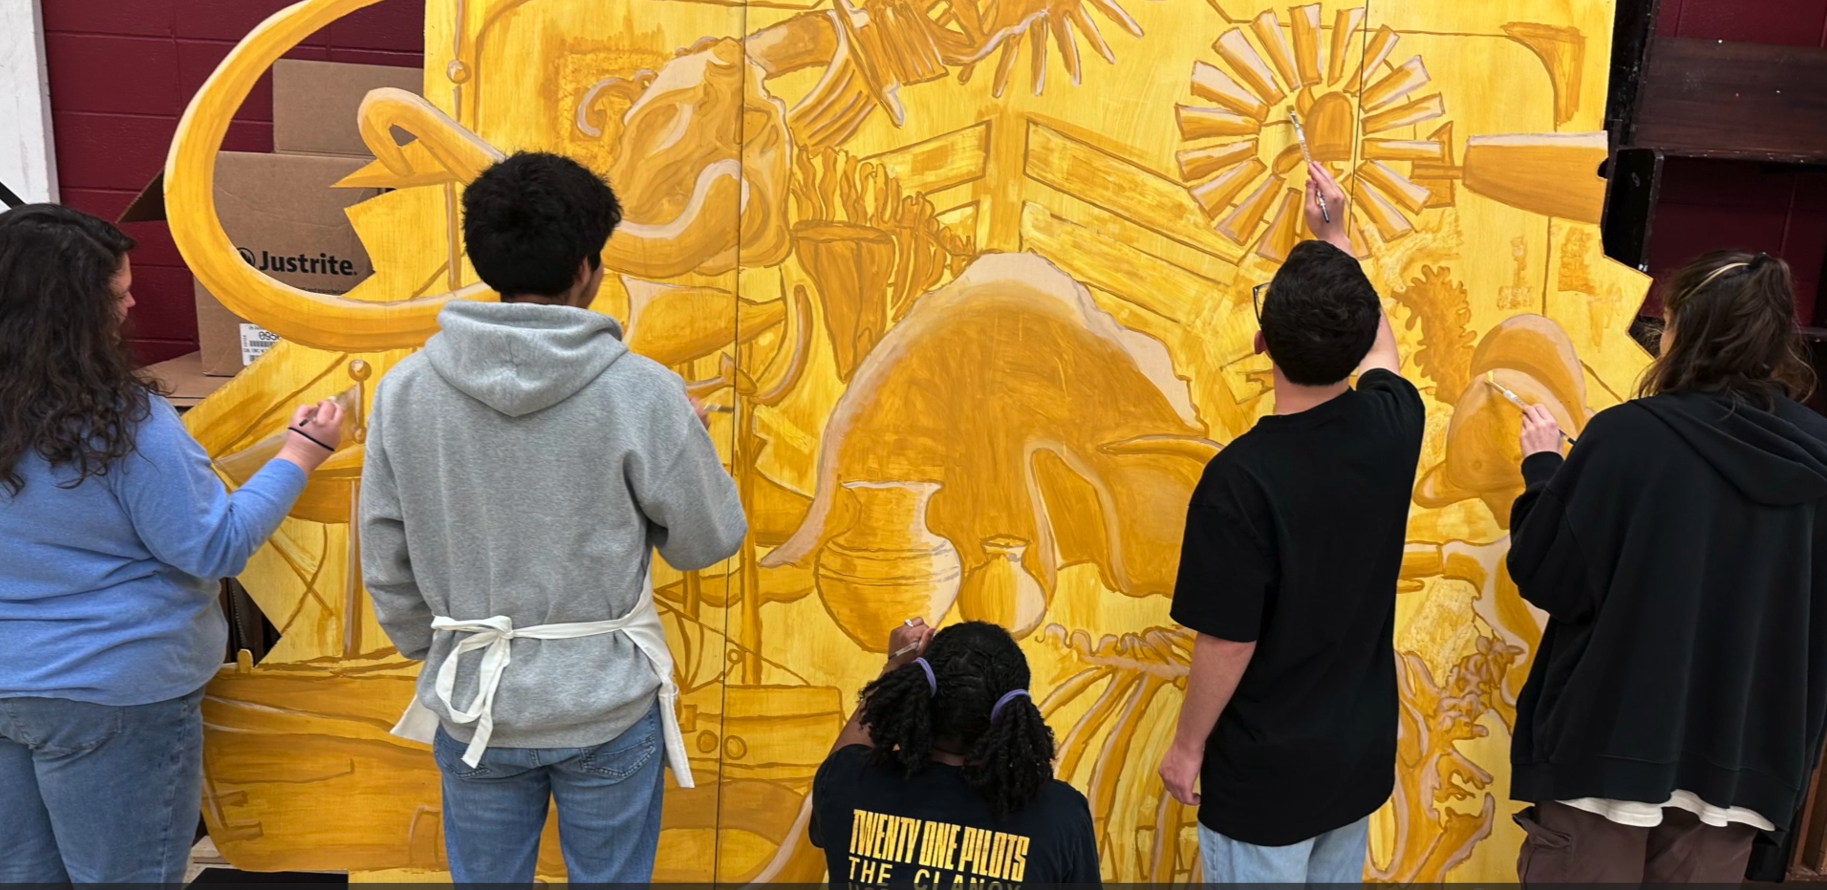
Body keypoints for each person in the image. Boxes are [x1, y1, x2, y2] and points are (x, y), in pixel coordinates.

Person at [359, 151, 747, 883]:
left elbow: (384, 550)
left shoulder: (406, 391)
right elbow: (709, 540)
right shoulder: (643, 393)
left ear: (485, 258)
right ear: (586, 268)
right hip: (604, 703)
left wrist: (433, 647)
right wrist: (686, 442)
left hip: (475, 700)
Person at [0, 204, 344, 883]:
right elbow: (213, 547)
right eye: (117, 294)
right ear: (72, 313)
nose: (131, 304)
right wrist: (300, 456)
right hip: (113, 690)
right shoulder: (123, 423)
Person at [1506, 250, 1827, 883]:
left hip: (1609, 750)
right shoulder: (1819, 459)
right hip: (1744, 764)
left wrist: (1544, 471)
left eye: (1668, 320)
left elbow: (1552, 577)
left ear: (1687, 329)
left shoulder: (1628, 437)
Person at [1156, 164, 1425, 882]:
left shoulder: (1240, 479)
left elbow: (1228, 639)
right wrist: (1336, 238)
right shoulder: (1394, 425)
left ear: (1261, 342)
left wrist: (1187, 747)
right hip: (1355, 762)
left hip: (1267, 779)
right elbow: (1383, 350)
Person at [809, 618, 1101, 886]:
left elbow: (842, 763)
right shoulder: (1060, 815)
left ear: (917, 694)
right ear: (1012, 714)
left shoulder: (849, 782)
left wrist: (896, 665)